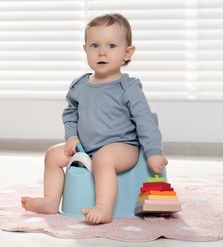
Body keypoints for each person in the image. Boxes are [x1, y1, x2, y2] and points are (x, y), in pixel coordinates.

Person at [21, 13, 168, 224]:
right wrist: (71, 137)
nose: (102, 52)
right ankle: (51, 200)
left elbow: (146, 120)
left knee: (104, 159)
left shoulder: (129, 88)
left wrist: (154, 153)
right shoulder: (80, 85)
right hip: (87, 146)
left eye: (111, 46)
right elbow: (70, 113)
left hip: (123, 147)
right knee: (53, 155)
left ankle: (104, 207)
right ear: (85, 49)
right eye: (94, 45)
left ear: (127, 53)